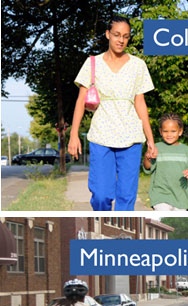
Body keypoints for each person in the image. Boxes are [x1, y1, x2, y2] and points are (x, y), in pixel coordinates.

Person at [69, 16, 157, 211]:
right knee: (101, 195)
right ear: (108, 34)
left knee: (126, 197)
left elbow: (140, 103)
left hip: (131, 136)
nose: (121, 40)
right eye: (117, 35)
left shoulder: (137, 65)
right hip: (101, 135)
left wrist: (150, 139)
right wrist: (73, 135)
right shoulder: (92, 63)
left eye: (125, 36)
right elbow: (80, 101)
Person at [142, 113, 188, 211]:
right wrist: (147, 157)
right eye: (165, 131)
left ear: (180, 131)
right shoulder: (157, 147)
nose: (169, 135)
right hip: (160, 195)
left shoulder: (185, 150)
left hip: (180, 197)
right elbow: (148, 167)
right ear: (160, 131)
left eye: (173, 131)